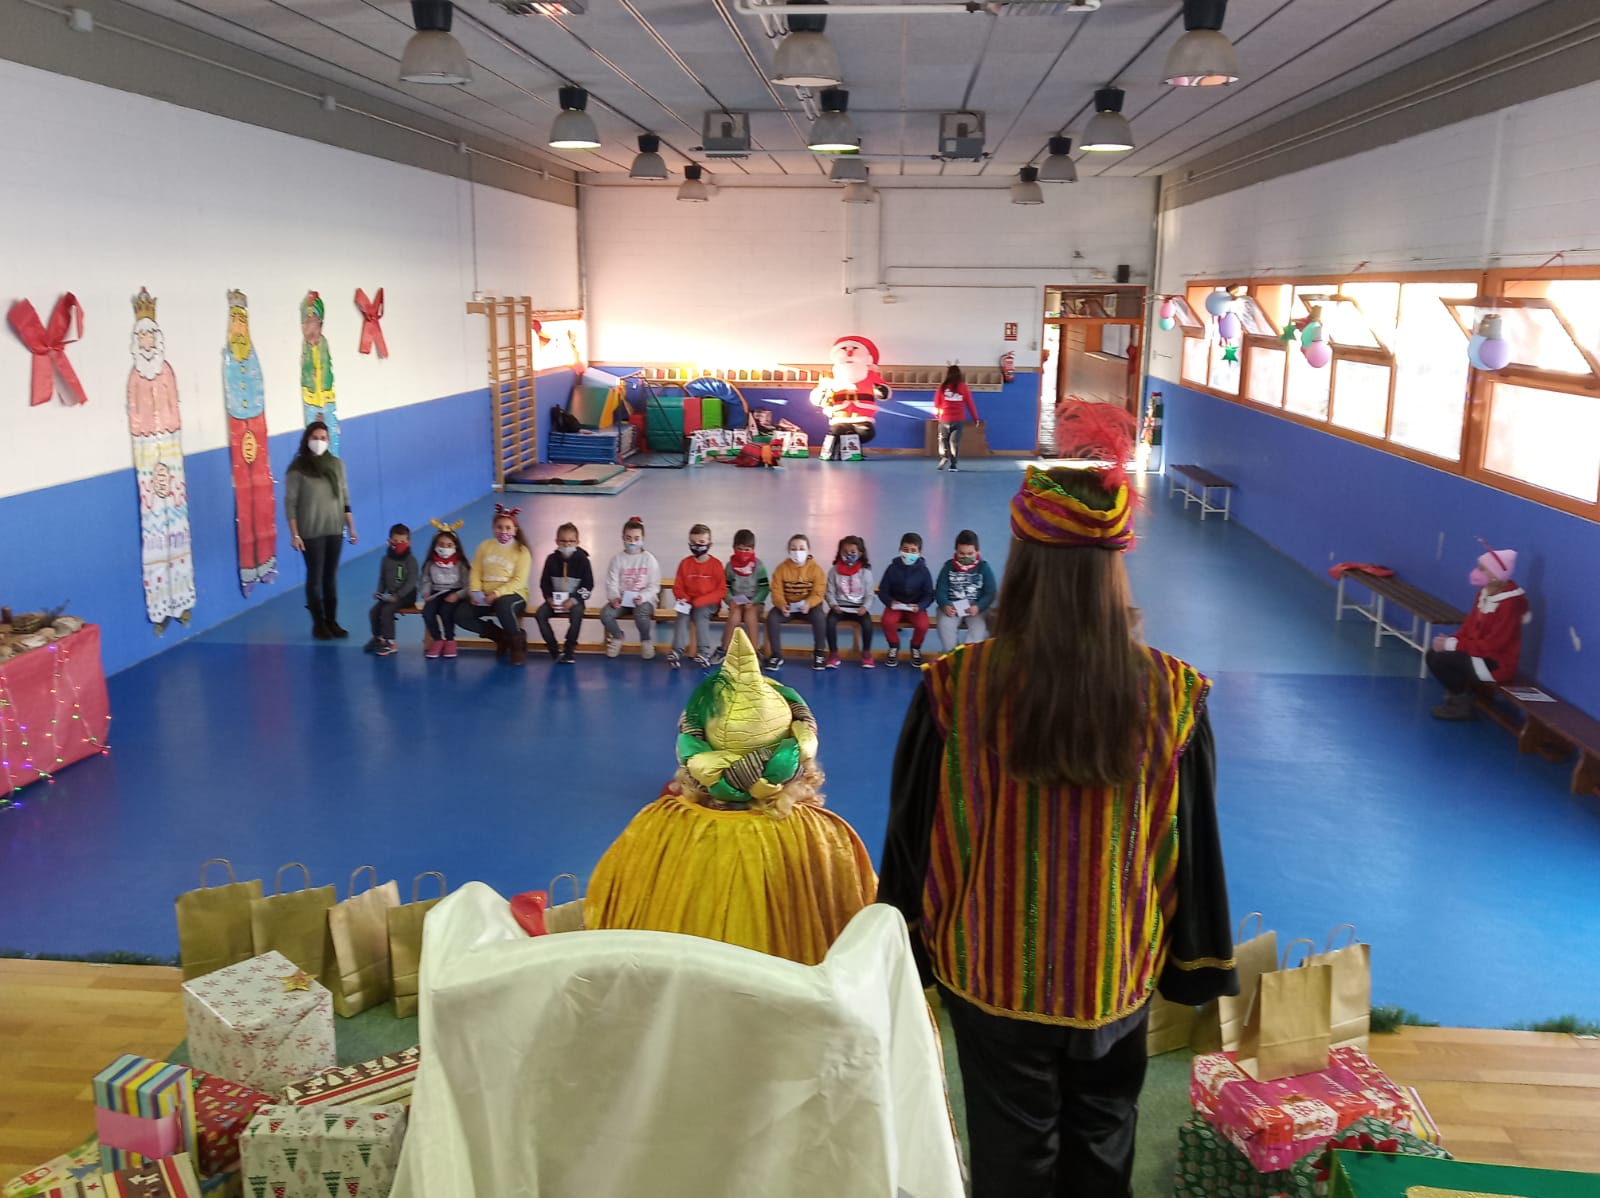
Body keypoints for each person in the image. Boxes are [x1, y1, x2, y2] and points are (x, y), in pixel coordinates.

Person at [879, 431, 1237, 1198]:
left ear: (1022, 561)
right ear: (1115, 565)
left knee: (1010, 1153)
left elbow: (914, 834)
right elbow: (1191, 844)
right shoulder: (1174, 694)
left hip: (990, 969)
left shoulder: (955, 686)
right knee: (1104, 1142)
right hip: (1115, 968)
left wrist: (903, 945)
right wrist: (1195, 959)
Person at [585, 628, 878, 965]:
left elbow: (604, 911)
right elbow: (867, 931)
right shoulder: (827, 837)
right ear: (799, 761)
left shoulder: (653, 827)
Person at [1426, 544, 1530, 720]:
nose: (1476, 572)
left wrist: (1453, 645)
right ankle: (1459, 694)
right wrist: (1451, 641)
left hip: (1496, 663)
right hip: (1478, 653)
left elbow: (1493, 645)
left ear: (1495, 576)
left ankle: (1462, 704)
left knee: (1442, 660)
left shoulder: (1509, 604)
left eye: (1482, 569)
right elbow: (1469, 626)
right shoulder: (1484, 593)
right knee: (1433, 654)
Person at [284, 420, 356, 640]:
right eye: (315, 438)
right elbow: (290, 504)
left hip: (334, 528)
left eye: (323, 438)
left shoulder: (337, 465)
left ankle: (332, 621)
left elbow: (345, 497)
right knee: (315, 577)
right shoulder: (297, 469)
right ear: (307, 439)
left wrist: (351, 526)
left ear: (328, 440)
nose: (319, 441)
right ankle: (318, 624)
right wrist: (295, 534)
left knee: (330, 577)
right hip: (311, 531)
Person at [458, 504, 533, 666]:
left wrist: (496, 594)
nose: (503, 531)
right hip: (485, 596)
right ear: (493, 528)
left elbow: (519, 581)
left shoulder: (522, 551)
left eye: (508, 527)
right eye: (499, 527)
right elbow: (476, 571)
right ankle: (500, 637)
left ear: (515, 530)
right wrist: (475, 591)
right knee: (461, 614)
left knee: (503, 606)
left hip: (514, 595)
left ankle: (517, 647)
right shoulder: (485, 546)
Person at [600, 516, 661, 660]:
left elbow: (654, 585)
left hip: (644, 601)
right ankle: (617, 636)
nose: (632, 542)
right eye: (628, 538)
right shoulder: (617, 559)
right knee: (606, 614)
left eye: (636, 538)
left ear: (643, 539)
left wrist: (643, 597)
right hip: (622, 600)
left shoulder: (649, 559)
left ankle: (645, 640)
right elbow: (611, 582)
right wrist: (614, 597)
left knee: (641, 614)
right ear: (623, 538)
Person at [765, 533, 828, 672]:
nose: (797, 552)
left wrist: (809, 603)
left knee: (820, 618)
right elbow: (776, 591)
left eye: (801, 548)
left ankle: (819, 653)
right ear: (788, 551)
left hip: (809, 607)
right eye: (793, 549)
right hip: (788, 606)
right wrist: (781, 604)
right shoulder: (781, 569)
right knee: (772, 618)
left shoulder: (816, 569)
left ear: (808, 550)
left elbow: (818, 592)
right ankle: (776, 655)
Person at [534, 522, 594, 665]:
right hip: (555, 601)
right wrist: (549, 599)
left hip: (574, 601)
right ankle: (554, 649)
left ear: (577, 542)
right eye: (563, 541)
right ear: (556, 541)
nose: (567, 544)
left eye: (571, 541)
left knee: (577, 614)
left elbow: (588, 585)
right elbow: (544, 583)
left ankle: (569, 650)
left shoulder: (583, 561)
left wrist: (573, 600)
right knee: (540, 614)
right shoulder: (551, 560)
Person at [669, 523, 726, 670]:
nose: (697, 546)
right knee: (682, 615)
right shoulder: (685, 564)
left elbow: (721, 591)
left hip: (709, 603)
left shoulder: (716, 565)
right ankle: (676, 651)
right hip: (689, 602)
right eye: (693, 543)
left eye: (701, 542)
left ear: (709, 544)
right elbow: (678, 586)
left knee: (700, 614)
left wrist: (700, 601)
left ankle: (704, 652)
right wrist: (683, 598)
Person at [878, 532, 936, 668]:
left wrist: (920, 606)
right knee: (887, 621)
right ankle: (893, 646)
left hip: (915, 607)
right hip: (895, 606)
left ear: (919, 553)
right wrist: (890, 602)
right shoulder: (892, 568)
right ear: (900, 549)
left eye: (913, 551)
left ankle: (915, 648)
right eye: (905, 550)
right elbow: (883, 590)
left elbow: (929, 594)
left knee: (923, 625)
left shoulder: (924, 571)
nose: (909, 554)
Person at [935, 529, 997, 650]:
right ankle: (952, 653)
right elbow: (940, 590)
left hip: (975, 608)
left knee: (979, 630)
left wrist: (979, 606)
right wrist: (945, 604)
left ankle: (968, 654)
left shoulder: (984, 567)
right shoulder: (948, 567)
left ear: (977, 551)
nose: (966, 557)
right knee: (945, 626)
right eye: (961, 553)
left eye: (970, 554)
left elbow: (990, 592)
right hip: (952, 606)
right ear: (956, 551)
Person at [718, 528, 769, 667]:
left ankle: (754, 652)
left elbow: (764, 588)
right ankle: (723, 649)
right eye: (740, 549)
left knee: (750, 616)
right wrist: (730, 600)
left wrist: (755, 601)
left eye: (747, 550)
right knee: (734, 617)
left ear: (753, 549)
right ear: (734, 548)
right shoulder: (730, 567)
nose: (743, 553)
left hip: (755, 602)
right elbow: (725, 587)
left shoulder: (759, 566)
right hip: (736, 602)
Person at [419, 519, 469, 660]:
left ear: (455, 546)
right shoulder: (430, 563)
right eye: (441, 544)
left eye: (449, 545)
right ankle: (437, 639)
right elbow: (426, 580)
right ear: (435, 546)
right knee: (427, 612)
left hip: (454, 593)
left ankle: (450, 640)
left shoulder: (461, 564)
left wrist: (458, 595)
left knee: (446, 611)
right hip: (436, 593)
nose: (445, 548)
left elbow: (468, 585)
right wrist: (426, 593)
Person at [366, 523, 418, 657]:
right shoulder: (385, 559)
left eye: (402, 541)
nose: (399, 544)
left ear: (409, 542)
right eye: (395, 541)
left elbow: (411, 582)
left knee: (387, 610)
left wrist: (398, 596)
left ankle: (390, 642)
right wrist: (379, 592)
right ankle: (378, 638)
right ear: (390, 541)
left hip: (407, 596)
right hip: (390, 595)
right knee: (374, 611)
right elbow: (383, 578)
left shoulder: (411, 560)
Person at [825, 536, 876, 669]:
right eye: (845, 552)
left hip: (859, 608)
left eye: (853, 552)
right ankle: (833, 654)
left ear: (860, 553)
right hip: (839, 607)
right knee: (829, 623)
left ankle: (866, 654)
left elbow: (870, 594)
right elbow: (829, 592)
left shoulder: (865, 572)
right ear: (840, 552)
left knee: (867, 624)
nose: (848, 555)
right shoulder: (834, 571)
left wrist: (865, 607)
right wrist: (833, 604)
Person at [934, 364, 980, 471]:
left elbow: (937, 404)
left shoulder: (942, 387)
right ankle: (953, 465)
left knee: (942, 440)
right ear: (959, 374)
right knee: (954, 442)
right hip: (958, 420)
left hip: (944, 419)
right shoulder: (963, 387)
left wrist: (937, 416)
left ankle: (944, 456)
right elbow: (970, 404)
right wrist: (975, 418)